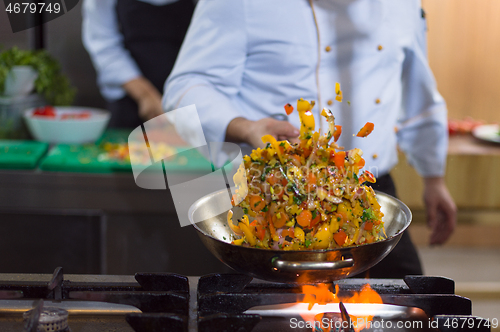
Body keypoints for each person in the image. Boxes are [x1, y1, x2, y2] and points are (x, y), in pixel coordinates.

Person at [163, 0, 457, 278]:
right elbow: (184, 89)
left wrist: (434, 178)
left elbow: (419, 93)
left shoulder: (403, 5)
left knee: (414, 309)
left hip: (365, 196)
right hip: (264, 198)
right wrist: (245, 126)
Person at [82, 0, 194, 128]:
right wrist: (145, 96)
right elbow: (103, 44)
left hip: (187, 97)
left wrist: (186, 94)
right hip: (128, 100)